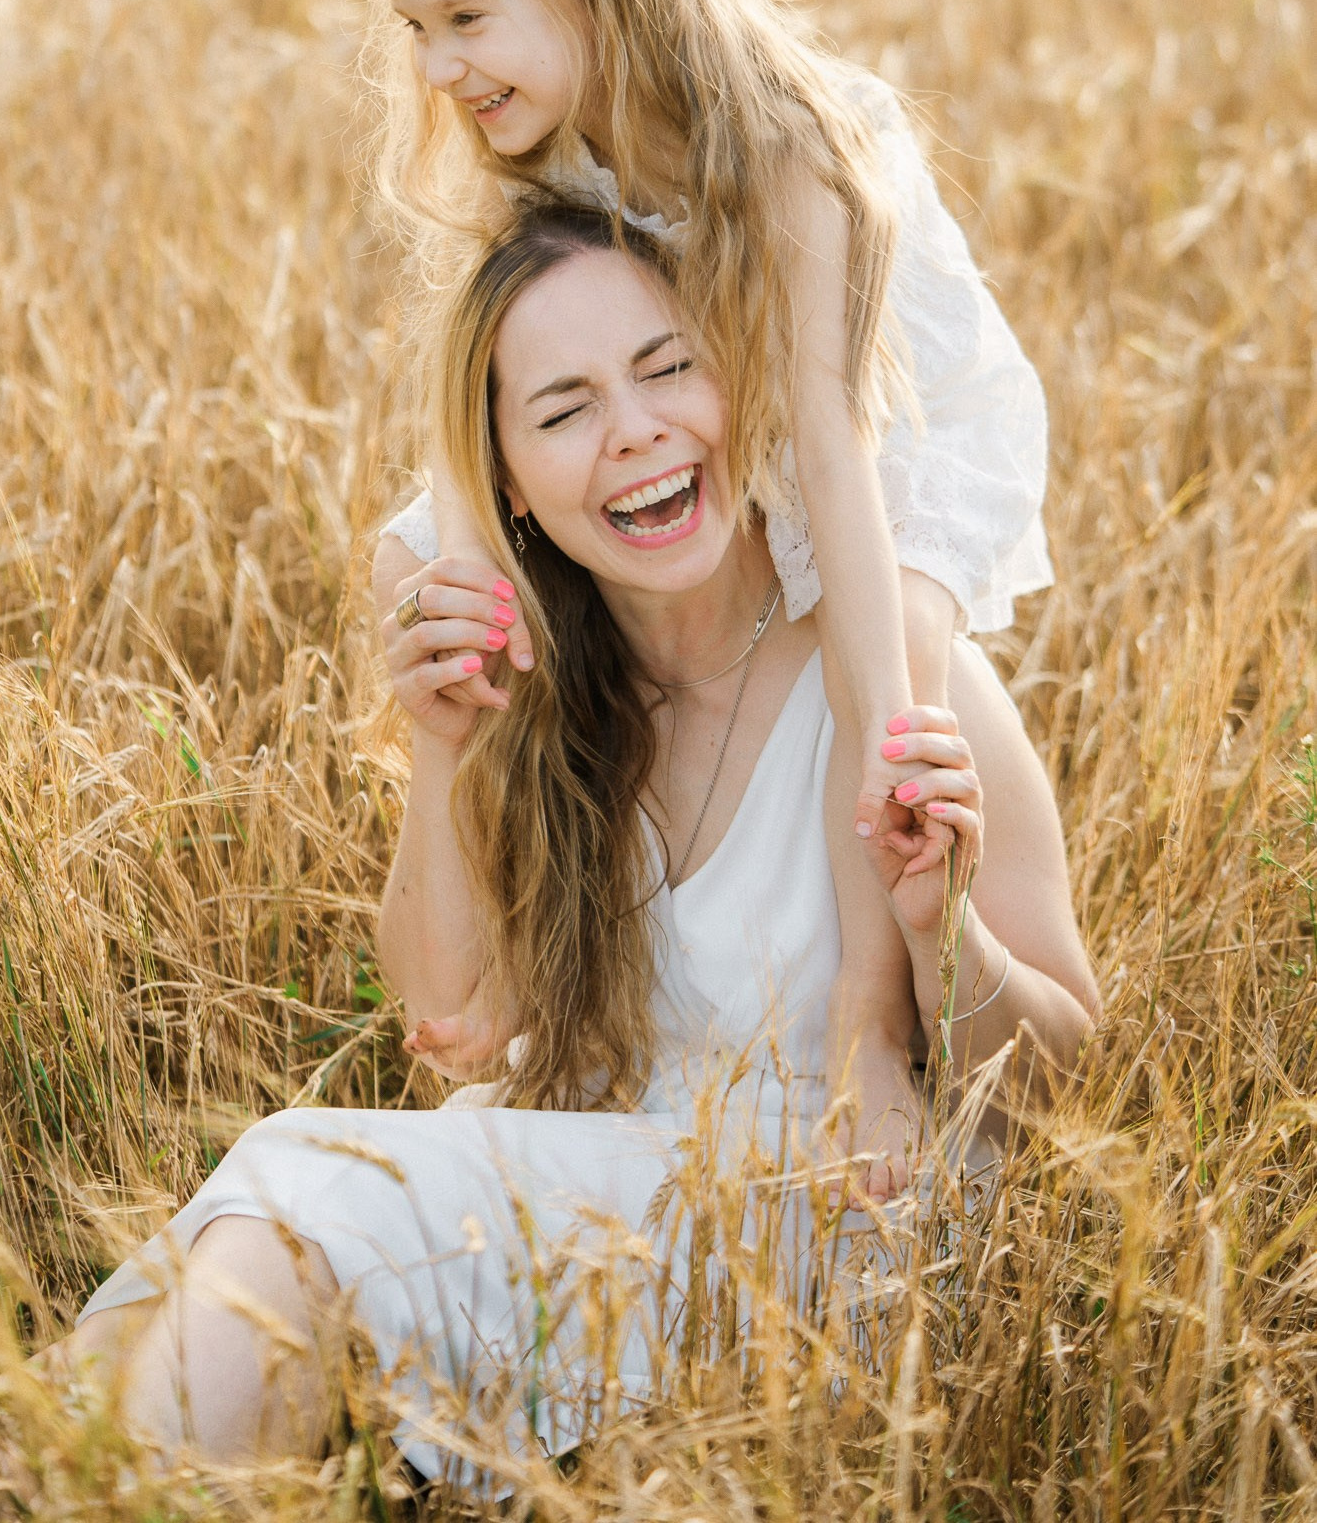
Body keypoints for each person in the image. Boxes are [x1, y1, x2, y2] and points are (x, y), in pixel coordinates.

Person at [53, 202, 1095, 1476]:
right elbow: (447, 1013)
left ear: (738, 382)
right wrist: (441, 750)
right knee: (239, 1249)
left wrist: (948, 930)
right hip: (617, 1191)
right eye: (564, 410)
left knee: (299, 1198)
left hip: (844, 1227)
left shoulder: (899, 683)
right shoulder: (548, 699)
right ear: (508, 486)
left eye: (669, 368)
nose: (638, 431)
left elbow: (1068, 1084)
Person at [362, 0, 1054, 1175]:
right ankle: (539, 950)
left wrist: (881, 669)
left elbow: (833, 452)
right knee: (415, 561)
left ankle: (863, 1019)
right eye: (415, 28)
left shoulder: (786, 145)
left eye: (464, 20)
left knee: (894, 666)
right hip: (691, 394)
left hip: (875, 425)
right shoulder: (553, 151)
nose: (435, 68)